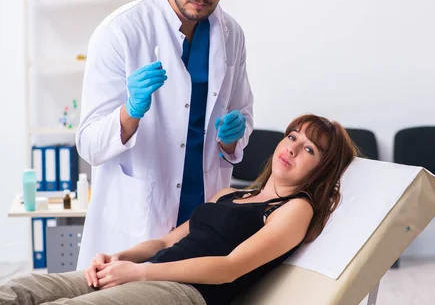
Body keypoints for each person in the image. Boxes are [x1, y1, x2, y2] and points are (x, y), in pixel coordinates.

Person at [1, 114, 357, 305]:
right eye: (293, 136)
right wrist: (116, 257)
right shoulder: (230, 195)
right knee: (22, 290)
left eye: (310, 150)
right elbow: (162, 243)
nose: (293, 148)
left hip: (186, 293)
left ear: (321, 169)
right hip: (150, 271)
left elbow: (230, 269)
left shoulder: (295, 209)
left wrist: (139, 275)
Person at [75, 0, 254, 269]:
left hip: (202, 214)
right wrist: (130, 112)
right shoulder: (121, 31)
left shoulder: (231, 34)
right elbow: (89, 145)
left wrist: (234, 139)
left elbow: (243, 113)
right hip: (139, 214)